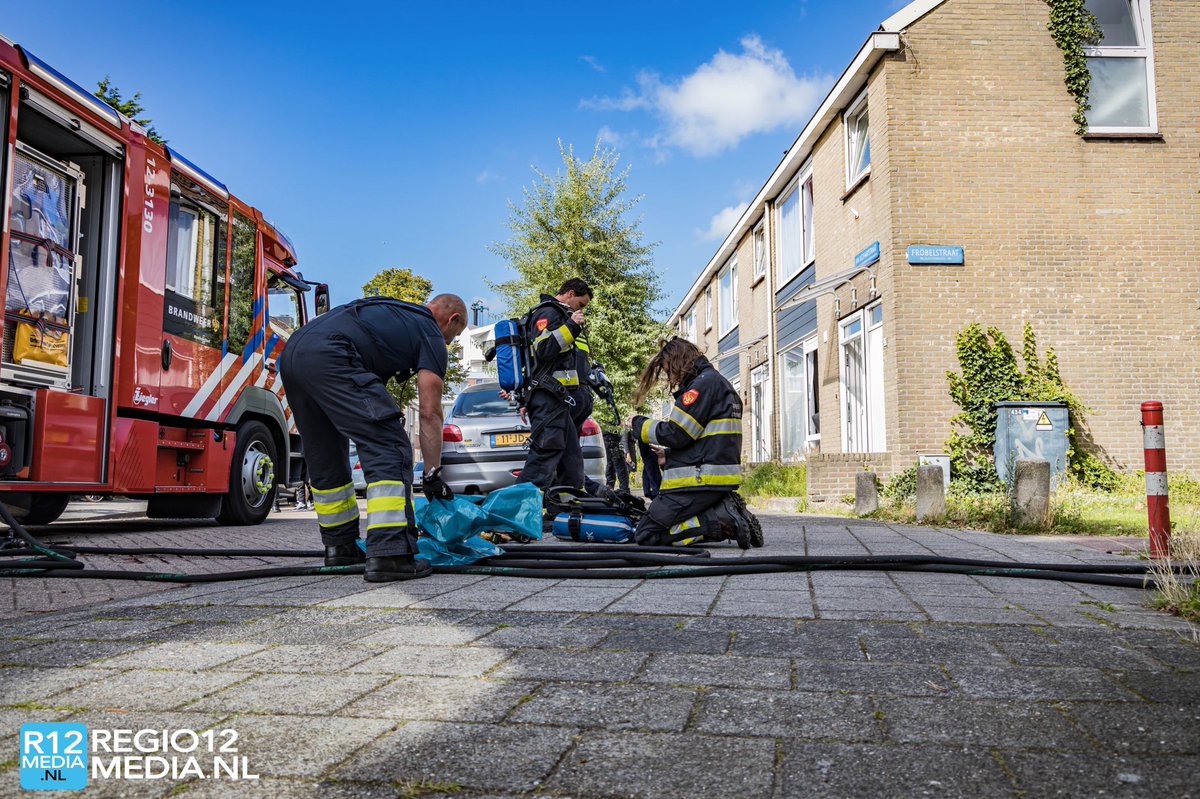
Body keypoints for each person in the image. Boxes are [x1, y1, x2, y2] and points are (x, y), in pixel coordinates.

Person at [280, 293, 468, 582]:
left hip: (294, 352)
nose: (447, 344)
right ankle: (389, 555)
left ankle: (340, 547)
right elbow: (430, 413)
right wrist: (432, 474)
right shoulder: (429, 329)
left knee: (326, 453)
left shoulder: (393, 313)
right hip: (332, 353)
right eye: (453, 337)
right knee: (389, 446)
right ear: (452, 319)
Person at [629, 337, 762, 548]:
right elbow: (705, 440)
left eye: (670, 370)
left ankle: (721, 521)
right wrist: (669, 456)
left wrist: (639, 425)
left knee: (647, 534)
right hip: (713, 479)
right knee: (657, 524)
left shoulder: (702, 386)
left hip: (699, 483)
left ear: (679, 362)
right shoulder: (718, 383)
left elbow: (675, 433)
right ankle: (722, 508)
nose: (671, 378)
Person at [516, 278, 592, 491]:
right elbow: (544, 349)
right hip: (549, 399)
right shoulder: (548, 313)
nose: (581, 309)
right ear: (569, 293)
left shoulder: (559, 315)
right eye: (581, 304)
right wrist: (571, 326)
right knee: (544, 456)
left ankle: (564, 509)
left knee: (571, 462)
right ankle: (513, 511)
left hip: (558, 401)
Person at [602, 423, 631, 494]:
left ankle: (609, 490)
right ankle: (624, 491)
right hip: (612, 438)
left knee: (610, 466)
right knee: (620, 468)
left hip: (606, 438)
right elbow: (620, 423)